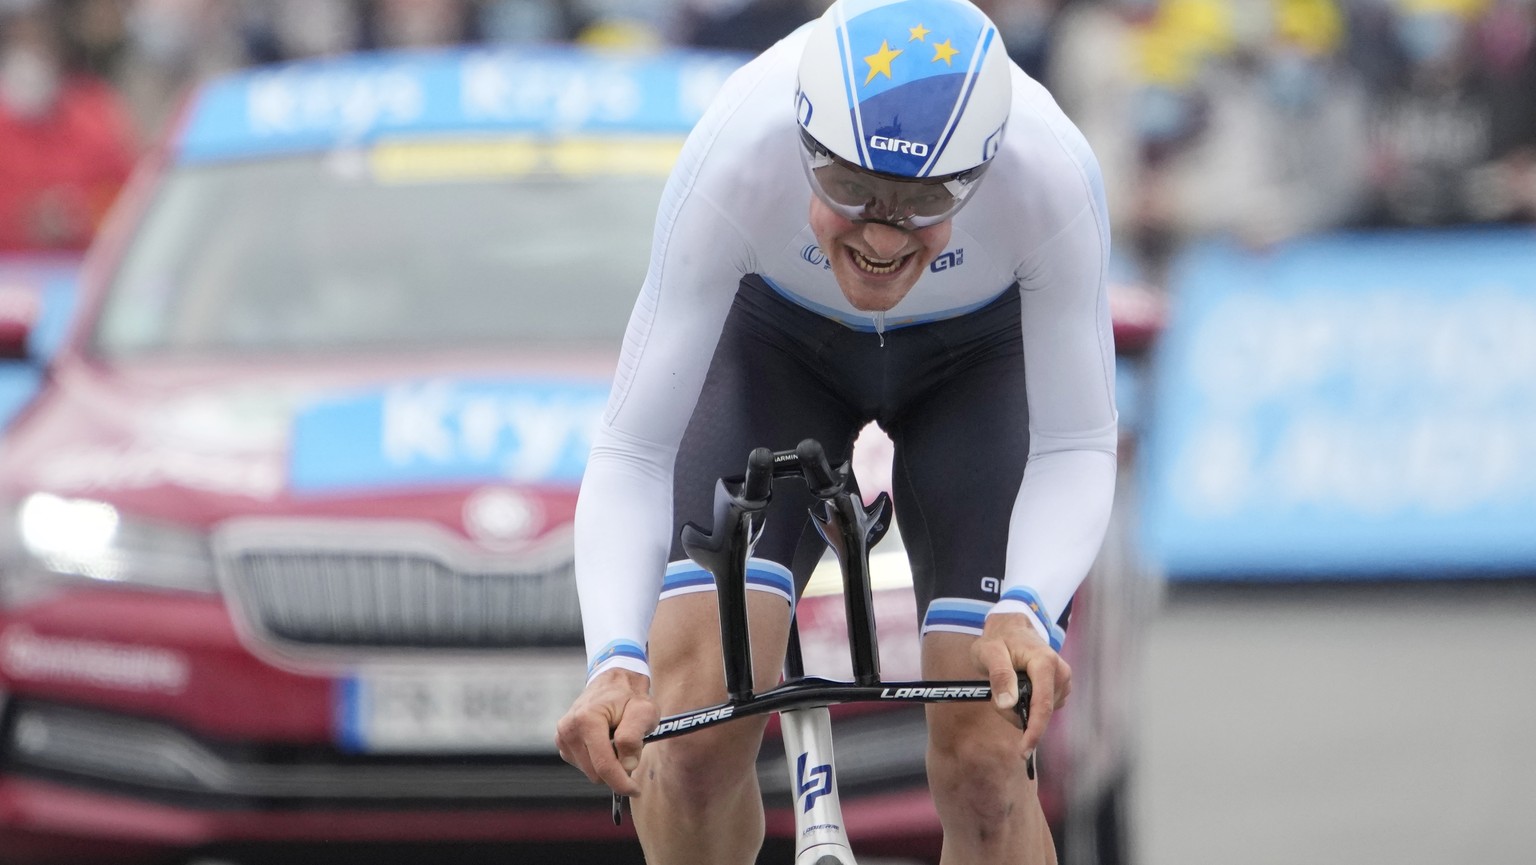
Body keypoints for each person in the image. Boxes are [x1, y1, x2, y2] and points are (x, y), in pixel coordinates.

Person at [555, 0, 1117, 862]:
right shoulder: (740, 144)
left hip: (977, 365)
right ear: (804, 139)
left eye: (924, 201)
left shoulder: (1050, 171)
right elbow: (634, 445)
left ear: (984, 169)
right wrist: (614, 660)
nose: (881, 236)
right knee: (693, 731)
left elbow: (1076, 441)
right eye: (849, 190)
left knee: (986, 754)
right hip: (779, 350)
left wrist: (1027, 609)